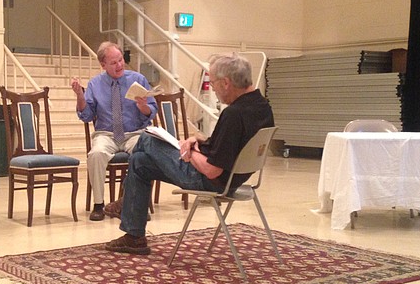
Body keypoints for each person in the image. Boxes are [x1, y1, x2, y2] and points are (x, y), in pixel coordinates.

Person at [104, 52, 274, 254]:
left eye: (213, 83)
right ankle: (134, 235)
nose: (213, 88)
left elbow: (212, 170)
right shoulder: (262, 106)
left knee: (147, 138)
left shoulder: (233, 114)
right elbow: (231, 144)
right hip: (236, 179)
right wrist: (199, 141)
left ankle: (127, 203)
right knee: (140, 162)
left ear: (226, 83)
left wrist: (190, 151)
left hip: (211, 180)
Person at [72, 41, 158, 221]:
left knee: (144, 154)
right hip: (107, 134)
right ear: (103, 65)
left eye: (120, 60)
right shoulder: (95, 84)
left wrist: (143, 107)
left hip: (134, 132)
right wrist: (80, 96)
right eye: (113, 63)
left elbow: (151, 111)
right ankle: (98, 204)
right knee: (96, 154)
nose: (119, 65)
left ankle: (136, 203)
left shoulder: (138, 79)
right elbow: (86, 115)